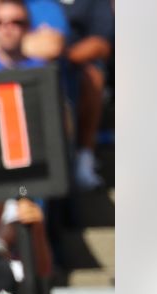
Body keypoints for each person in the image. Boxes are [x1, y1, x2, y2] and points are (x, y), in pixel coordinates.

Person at [61, 0, 114, 190]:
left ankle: (84, 159)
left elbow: (102, 43)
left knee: (93, 78)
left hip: (76, 67)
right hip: (37, 66)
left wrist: (63, 57)